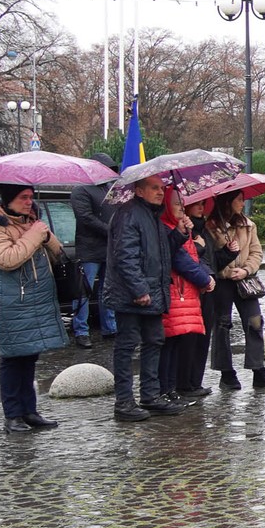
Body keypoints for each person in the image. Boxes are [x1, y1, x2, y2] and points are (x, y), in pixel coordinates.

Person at [0, 183, 68, 433]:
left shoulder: (31, 221)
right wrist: (34, 234)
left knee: (29, 357)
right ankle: (12, 415)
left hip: (36, 300)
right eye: (23, 198)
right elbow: (6, 260)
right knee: (13, 358)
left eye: (30, 197)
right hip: (14, 302)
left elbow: (58, 253)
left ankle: (30, 410)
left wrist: (45, 235)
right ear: (8, 199)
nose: (29, 202)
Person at [107, 174, 177, 422]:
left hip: (152, 293)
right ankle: (124, 402)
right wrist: (139, 290)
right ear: (139, 191)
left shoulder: (152, 215)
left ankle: (150, 396)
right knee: (126, 346)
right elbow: (125, 256)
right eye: (154, 188)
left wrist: (180, 232)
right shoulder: (129, 214)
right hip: (132, 295)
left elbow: (160, 254)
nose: (161, 192)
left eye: (162, 188)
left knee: (154, 341)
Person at [205, 192, 265, 390]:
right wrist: (227, 266)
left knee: (255, 321)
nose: (243, 203)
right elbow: (208, 258)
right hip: (222, 282)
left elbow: (256, 252)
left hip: (245, 280)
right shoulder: (211, 226)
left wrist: (245, 270)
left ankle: (258, 369)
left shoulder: (248, 225)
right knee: (222, 325)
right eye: (239, 199)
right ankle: (226, 372)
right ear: (227, 202)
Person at [159, 196, 216, 401]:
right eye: (177, 204)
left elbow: (199, 257)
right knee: (172, 343)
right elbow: (181, 259)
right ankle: (169, 389)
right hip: (179, 292)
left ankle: (174, 388)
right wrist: (205, 279)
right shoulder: (166, 227)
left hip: (188, 291)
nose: (182, 209)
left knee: (178, 342)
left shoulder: (184, 228)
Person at [68, 153, 118, 347]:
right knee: (83, 291)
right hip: (88, 249)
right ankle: (81, 330)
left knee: (108, 289)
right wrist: (110, 230)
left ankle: (110, 327)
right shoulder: (81, 189)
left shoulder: (108, 188)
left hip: (107, 248)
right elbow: (85, 217)